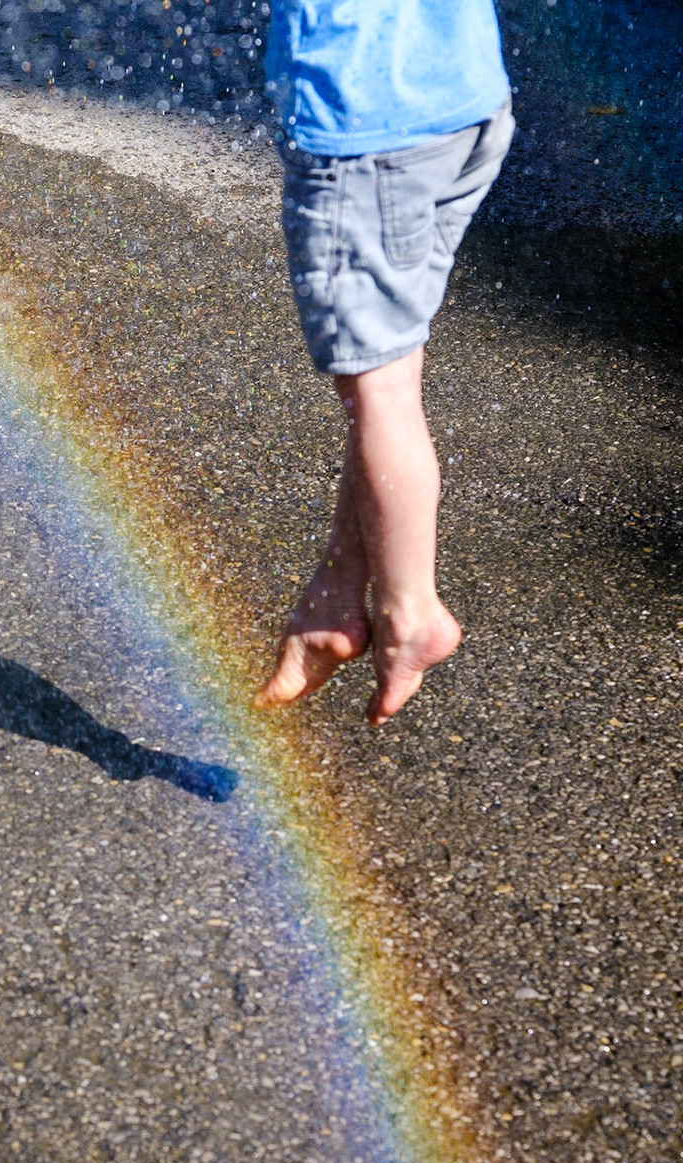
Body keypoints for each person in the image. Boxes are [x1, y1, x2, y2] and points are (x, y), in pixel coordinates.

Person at [253, 0, 513, 724]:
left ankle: (412, 613)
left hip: (366, 131)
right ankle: (332, 604)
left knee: (382, 395)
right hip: (466, 98)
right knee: (390, 375)